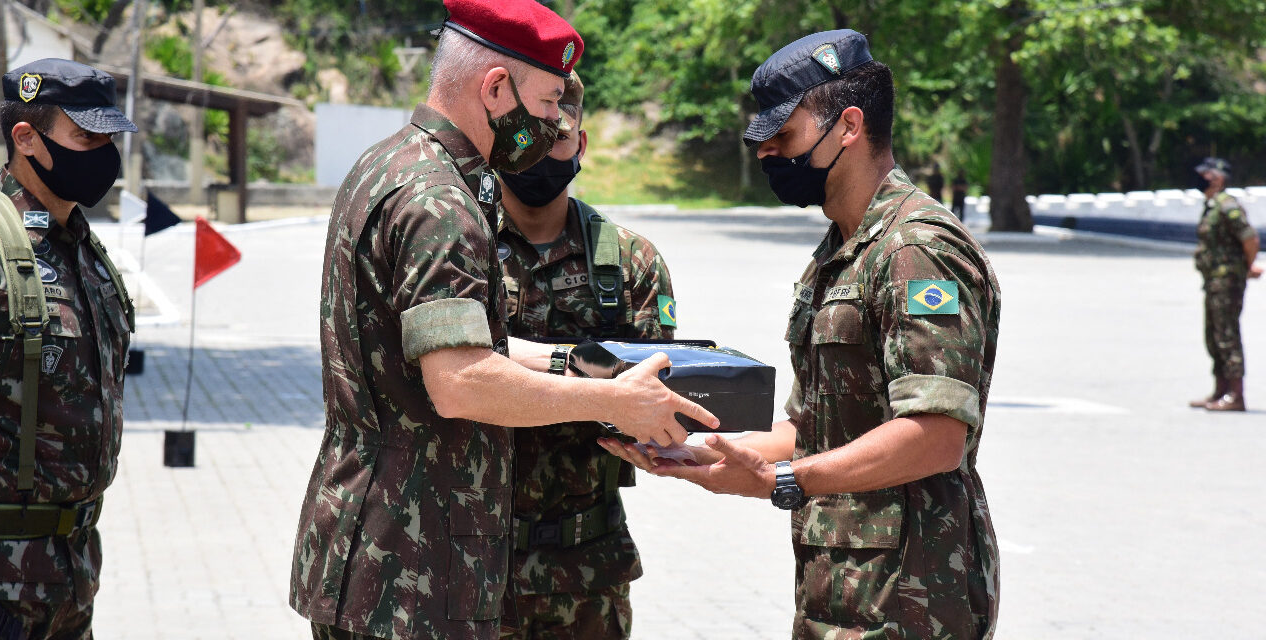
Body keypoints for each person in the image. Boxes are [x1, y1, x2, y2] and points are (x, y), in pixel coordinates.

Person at [288, 2, 716, 639]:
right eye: (546, 103)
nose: (549, 125)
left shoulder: (389, 165)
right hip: (414, 570)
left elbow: (446, 349)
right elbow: (461, 380)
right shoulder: (444, 202)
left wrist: (572, 366)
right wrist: (610, 400)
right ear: (495, 88)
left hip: (382, 555)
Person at [600, 30, 1001, 639]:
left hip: (914, 597)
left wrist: (783, 482)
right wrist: (694, 456)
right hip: (843, 588)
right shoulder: (841, 251)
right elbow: (812, 429)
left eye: (783, 137)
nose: (767, 156)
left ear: (848, 126)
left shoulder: (916, 250)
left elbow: (938, 434)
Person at [495, 70, 676, 639]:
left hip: (588, 570)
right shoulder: (461, 247)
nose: (544, 154)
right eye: (530, 140)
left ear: (583, 145)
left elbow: (658, 402)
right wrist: (594, 373)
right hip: (473, 563)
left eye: (560, 138)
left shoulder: (630, 262)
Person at [0, 59, 137, 639]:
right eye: (86, 137)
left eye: (109, 138)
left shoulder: (85, 251)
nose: (104, 153)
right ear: (26, 138)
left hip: (71, 573)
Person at [1188, 157, 1261, 411]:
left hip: (1227, 280)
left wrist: (1247, 267)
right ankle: (1220, 390)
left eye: (1205, 175)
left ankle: (1236, 395)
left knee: (1227, 334)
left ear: (1217, 178)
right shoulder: (1212, 206)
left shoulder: (1227, 206)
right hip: (1214, 281)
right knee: (1213, 335)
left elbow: (1250, 238)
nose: (1200, 179)